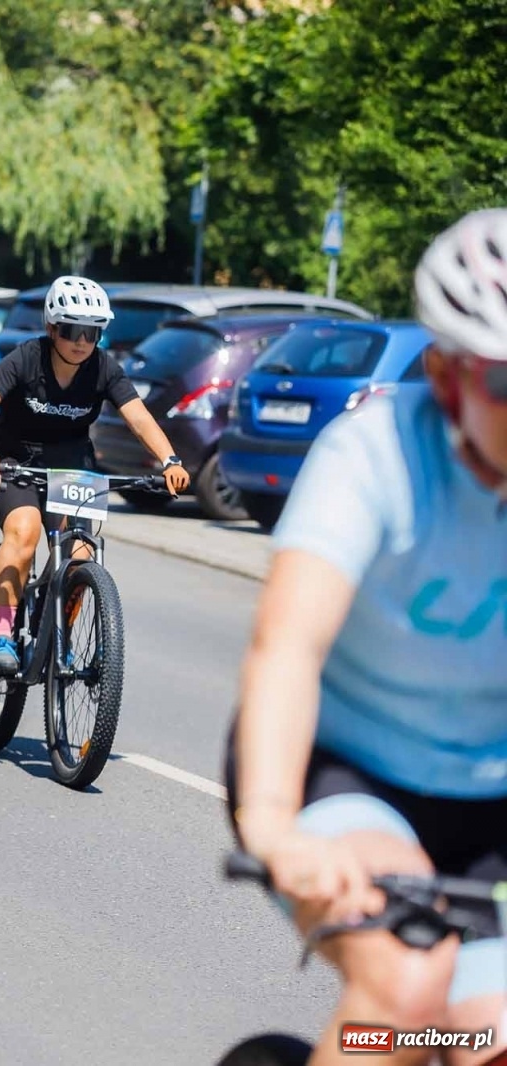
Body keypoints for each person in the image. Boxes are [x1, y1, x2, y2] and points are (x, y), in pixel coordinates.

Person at [227, 209, 507, 1066]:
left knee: (489, 1036)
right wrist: (274, 828)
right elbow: (287, 647)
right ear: (447, 377)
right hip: (347, 768)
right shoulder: (373, 453)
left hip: (489, 795)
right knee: (407, 983)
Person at [0, 275, 189, 674]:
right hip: (14, 462)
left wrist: (170, 460)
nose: (82, 342)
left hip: (70, 468)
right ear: (52, 328)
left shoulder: (104, 368)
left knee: (80, 550)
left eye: (92, 333)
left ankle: (59, 637)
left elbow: (138, 417)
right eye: (72, 331)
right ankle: (1, 632)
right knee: (24, 530)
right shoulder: (27, 357)